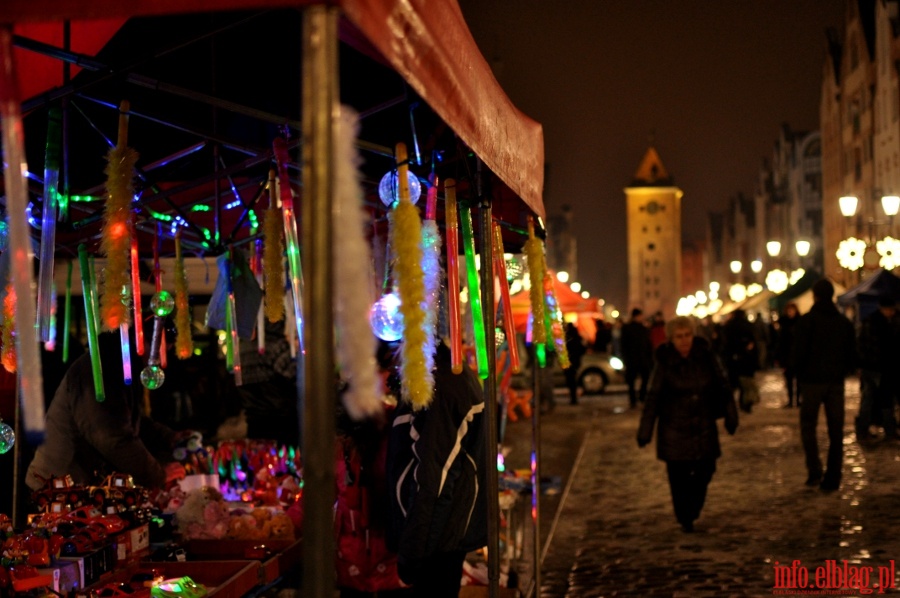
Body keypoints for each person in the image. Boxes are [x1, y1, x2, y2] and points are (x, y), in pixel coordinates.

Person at [26, 330, 187, 492]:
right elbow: (112, 436)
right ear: (141, 340)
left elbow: (130, 421)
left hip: (81, 485)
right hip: (58, 489)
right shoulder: (100, 371)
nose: (158, 363)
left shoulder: (121, 369)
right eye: (159, 353)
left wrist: (169, 438)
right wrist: (158, 475)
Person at [387, 341, 487, 597]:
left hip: (436, 540)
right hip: (439, 536)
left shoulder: (441, 385)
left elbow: (433, 481)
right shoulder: (440, 374)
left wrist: (412, 553)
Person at [636, 316, 738, 533]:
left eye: (688, 335)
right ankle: (685, 516)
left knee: (707, 470)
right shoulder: (664, 362)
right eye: (679, 336)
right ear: (671, 339)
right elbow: (653, 396)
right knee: (679, 478)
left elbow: (723, 385)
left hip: (704, 427)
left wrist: (731, 415)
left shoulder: (706, 356)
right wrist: (645, 431)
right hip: (674, 430)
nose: (684, 340)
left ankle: (694, 507)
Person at [792, 279, 856, 491]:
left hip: (811, 382)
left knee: (808, 427)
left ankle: (814, 470)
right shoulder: (843, 323)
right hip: (835, 382)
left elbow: (798, 353)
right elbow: (851, 355)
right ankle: (833, 476)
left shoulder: (807, 321)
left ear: (815, 295)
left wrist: (799, 373)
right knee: (835, 431)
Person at [235, 319, 298, 446]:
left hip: (254, 424)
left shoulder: (242, 346)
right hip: (282, 427)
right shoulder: (277, 345)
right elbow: (298, 381)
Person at [855, 295, 899, 443]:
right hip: (874, 367)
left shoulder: (889, 321)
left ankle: (888, 430)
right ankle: (865, 430)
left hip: (885, 368)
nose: (892, 312)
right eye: (890, 310)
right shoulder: (873, 322)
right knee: (870, 399)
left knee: (884, 400)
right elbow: (865, 346)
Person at [722, 309, 759, 413]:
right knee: (745, 384)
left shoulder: (729, 326)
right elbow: (753, 343)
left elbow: (725, 344)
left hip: (733, 359)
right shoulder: (747, 325)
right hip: (746, 359)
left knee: (734, 384)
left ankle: (731, 405)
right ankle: (745, 403)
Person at [621, 308, 653, 408]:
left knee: (645, 378)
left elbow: (647, 344)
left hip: (642, 359)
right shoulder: (627, 328)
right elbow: (624, 344)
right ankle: (633, 400)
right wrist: (626, 358)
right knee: (631, 381)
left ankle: (641, 397)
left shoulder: (643, 328)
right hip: (632, 359)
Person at [776, 303, 801, 408]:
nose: (791, 312)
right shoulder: (784, 325)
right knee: (789, 380)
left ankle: (798, 400)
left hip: (798, 355)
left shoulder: (800, 323)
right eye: (789, 310)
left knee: (799, 380)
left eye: (792, 310)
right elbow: (780, 342)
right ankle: (791, 400)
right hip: (787, 356)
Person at [564, 322, 586, 405]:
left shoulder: (567, 338)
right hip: (575, 362)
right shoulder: (577, 338)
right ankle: (574, 398)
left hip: (568, 362)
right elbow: (582, 349)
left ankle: (573, 398)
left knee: (570, 380)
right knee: (573, 380)